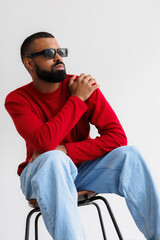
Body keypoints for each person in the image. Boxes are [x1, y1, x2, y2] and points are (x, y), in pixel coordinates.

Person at [5, 31, 160, 240]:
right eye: (50, 53)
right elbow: (45, 143)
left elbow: (117, 137)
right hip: (40, 177)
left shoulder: (83, 86)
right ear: (30, 63)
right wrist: (77, 100)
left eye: (60, 52)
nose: (59, 58)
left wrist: (67, 150)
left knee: (130, 154)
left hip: (81, 172)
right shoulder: (18, 99)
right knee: (53, 158)